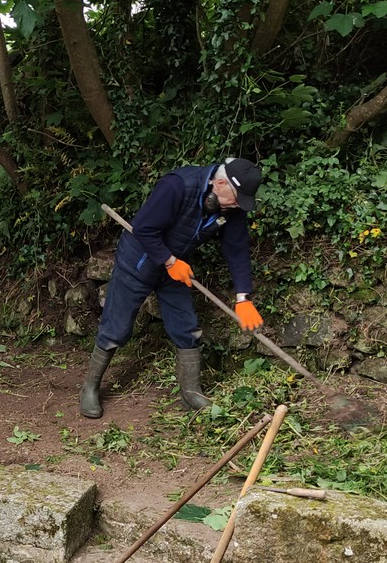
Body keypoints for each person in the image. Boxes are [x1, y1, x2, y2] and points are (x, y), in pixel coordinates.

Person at [80, 158, 265, 416]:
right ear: (220, 183)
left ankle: (191, 393)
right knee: (116, 328)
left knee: (186, 327)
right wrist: (168, 261)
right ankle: (90, 388)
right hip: (139, 261)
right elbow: (144, 228)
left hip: (176, 269)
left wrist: (243, 297)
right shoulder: (178, 185)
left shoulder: (231, 207)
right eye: (235, 199)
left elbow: (237, 250)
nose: (237, 205)